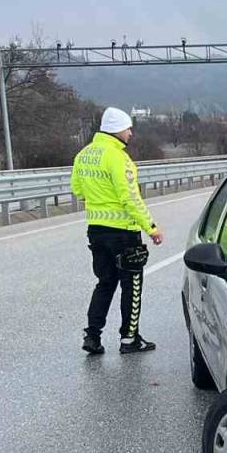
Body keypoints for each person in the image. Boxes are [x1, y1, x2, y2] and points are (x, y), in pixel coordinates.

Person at [71, 106, 164, 355]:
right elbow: (130, 198)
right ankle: (129, 339)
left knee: (105, 282)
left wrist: (99, 200)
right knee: (131, 285)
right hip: (124, 233)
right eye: (127, 128)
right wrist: (151, 227)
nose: (130, 133)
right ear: (116, 130)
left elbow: (78, 190)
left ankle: (92, 335)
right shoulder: (119, 158)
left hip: (96, 231)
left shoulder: (83, 155)